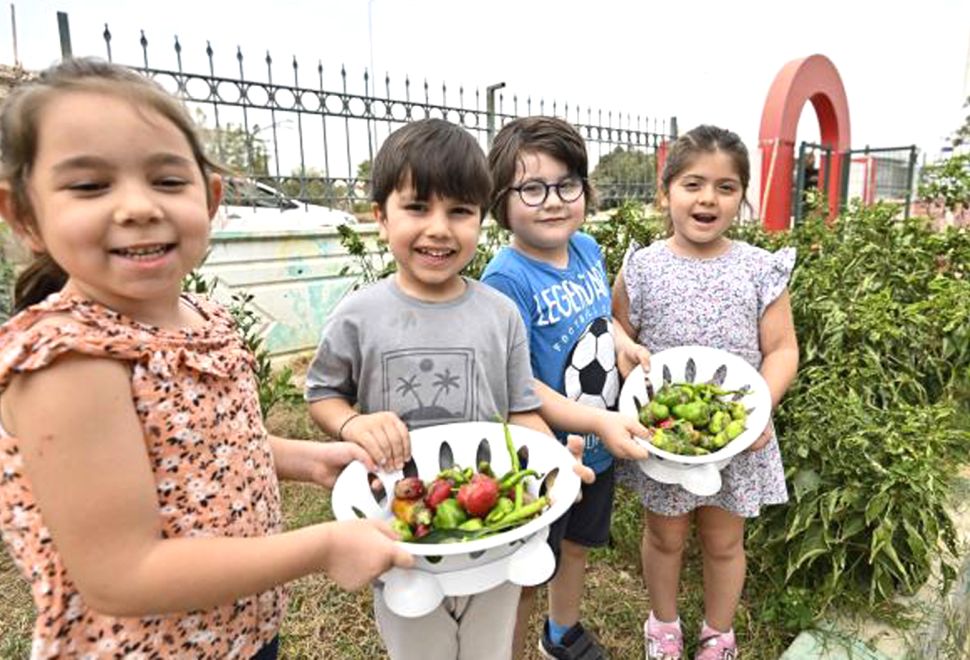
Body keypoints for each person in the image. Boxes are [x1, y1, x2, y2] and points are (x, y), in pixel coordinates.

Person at [0, 57, 413, 660]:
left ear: (211, 197)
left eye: (167, 181)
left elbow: (203, 447)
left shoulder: (202, 318)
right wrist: (324, 546)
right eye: (90, 185)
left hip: (238, 631)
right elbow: (122, 573)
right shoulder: (68, 361)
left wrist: (311, 460)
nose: (137, 206)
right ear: (25, 216)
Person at [304, 118, 592, 660]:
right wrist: (351, 422)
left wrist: (554, 457)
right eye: (417, 207)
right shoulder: (359, 316)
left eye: (459, 211)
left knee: (489, 648)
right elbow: (323, 394)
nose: (439, 228)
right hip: (400, 525)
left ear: (482, 220)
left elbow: (520, 411)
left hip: (490, 527)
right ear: (380, 218)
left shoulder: (500, 315)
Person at [612, 124, 799, 659]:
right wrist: (623, 342)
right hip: (664, 432)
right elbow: (617, 329)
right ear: (665, 190)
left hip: (736, 433)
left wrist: (759, 408)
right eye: (693, 184)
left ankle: (719, 634)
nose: (707, 199)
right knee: (665, 537)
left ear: (742, 197)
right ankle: (663, 626)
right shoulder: (642, 267)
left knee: (723, 543)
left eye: (725, 187)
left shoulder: (760, 270)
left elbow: (783, 349)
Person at [481, 116, 652, 660]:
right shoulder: (506, 279)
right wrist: (596, 421)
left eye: (566, 184)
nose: (552, 201)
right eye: (532, 188)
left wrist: (622, 341)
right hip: (544, 457)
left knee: (577, 547)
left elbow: (602, 317)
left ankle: (561, 632)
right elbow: (517, 381)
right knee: (529, 571)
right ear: (499, 200)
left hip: (599, 448)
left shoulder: (587, 251)